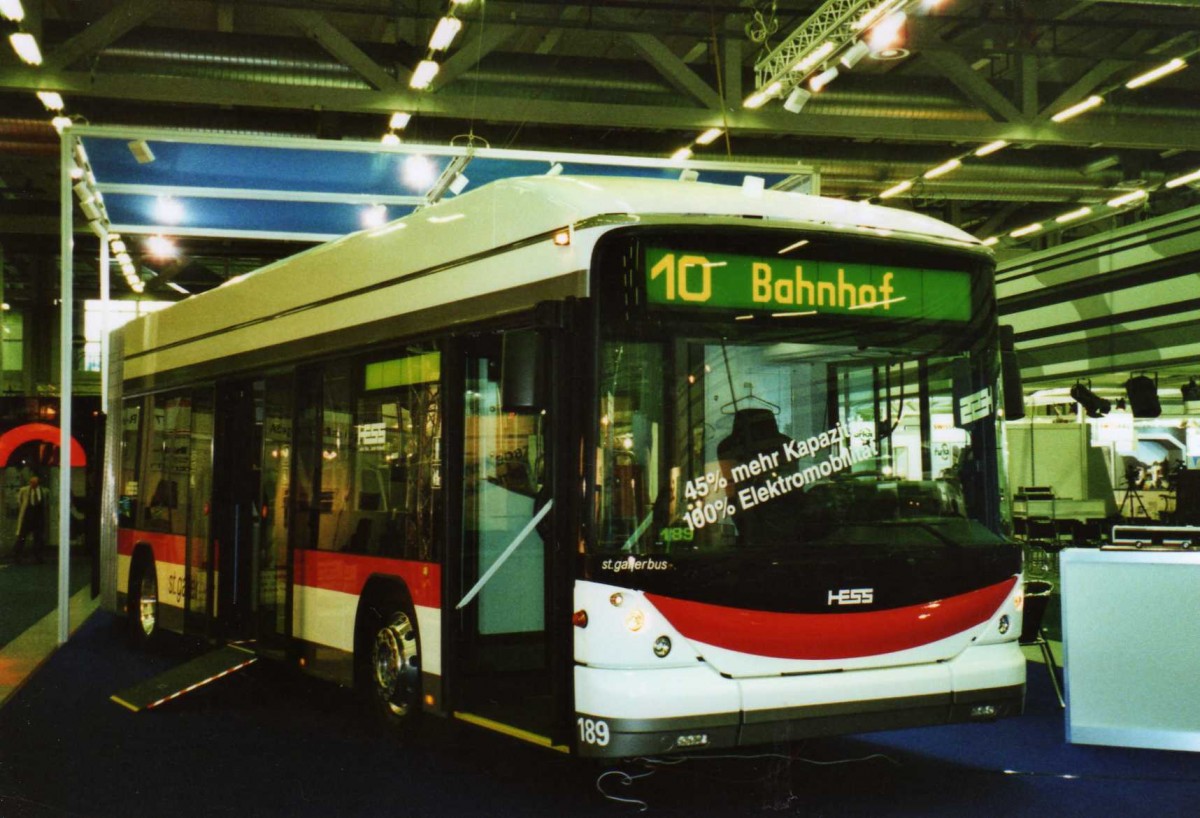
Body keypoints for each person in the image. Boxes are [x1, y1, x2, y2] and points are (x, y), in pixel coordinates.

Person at [14, 474, 48, 564]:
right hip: (27, 517)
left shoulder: (43, 491)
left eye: (34, 483)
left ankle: (38, 556)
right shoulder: (24, 490)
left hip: (38, 518)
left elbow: (45, 504)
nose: (32, 484)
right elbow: (19, 501)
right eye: (31, 482)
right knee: (22, 537)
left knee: (38, 538)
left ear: (38, 483)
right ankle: (17, 556)